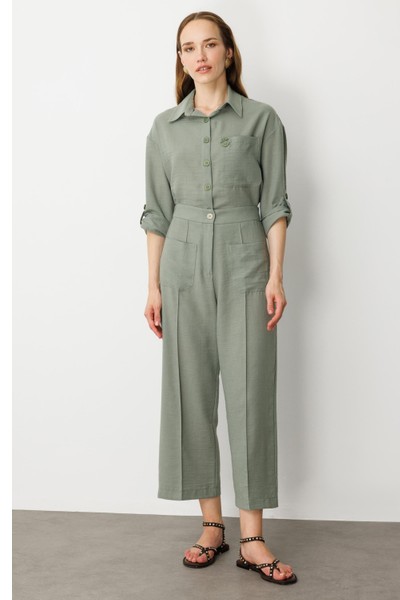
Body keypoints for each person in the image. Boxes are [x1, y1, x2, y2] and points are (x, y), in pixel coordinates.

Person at [140, 11, 297, 586]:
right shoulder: (164, 128)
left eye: (210, 45)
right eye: (189, 48)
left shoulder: (262, 119)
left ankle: (252, 537)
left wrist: (276, 276)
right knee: (190, 391)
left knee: (251, 390)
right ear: (180, 59)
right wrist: (153, 284)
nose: (200, 56)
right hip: (181, 262)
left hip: (244, 258)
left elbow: (275, 203)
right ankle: (212, 526)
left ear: (229, 52)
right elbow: (156, 212)